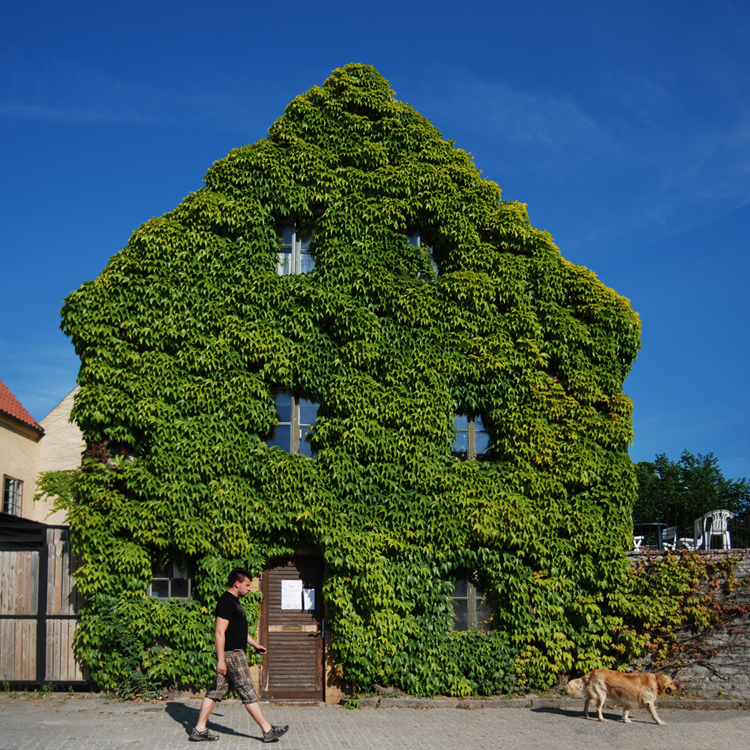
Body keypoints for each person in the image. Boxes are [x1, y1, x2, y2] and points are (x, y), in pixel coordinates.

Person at [191, 568, 288, 743]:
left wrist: (255, 644)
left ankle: (199, 729)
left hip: (234, 652)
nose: (249, 588)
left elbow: (239, 631)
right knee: (248, 690)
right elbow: (219, 632)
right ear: (237, 584)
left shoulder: (234, 602)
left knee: (214, 692)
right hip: (233, 655)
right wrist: (221, 659)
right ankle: (267, 730)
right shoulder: (227, 602)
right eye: (247, 585)